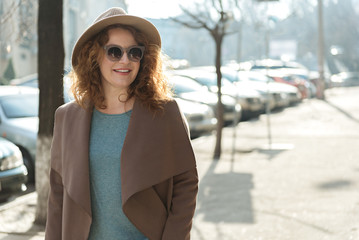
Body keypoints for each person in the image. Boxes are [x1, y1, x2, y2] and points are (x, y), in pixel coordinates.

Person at [45, 7, 198, 240]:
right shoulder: (67, 117)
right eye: (114, 52)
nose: (125, 60)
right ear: (94, 56)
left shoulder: (165, 113)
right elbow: (58, 196)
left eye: (134, 52)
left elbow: (186, 184)